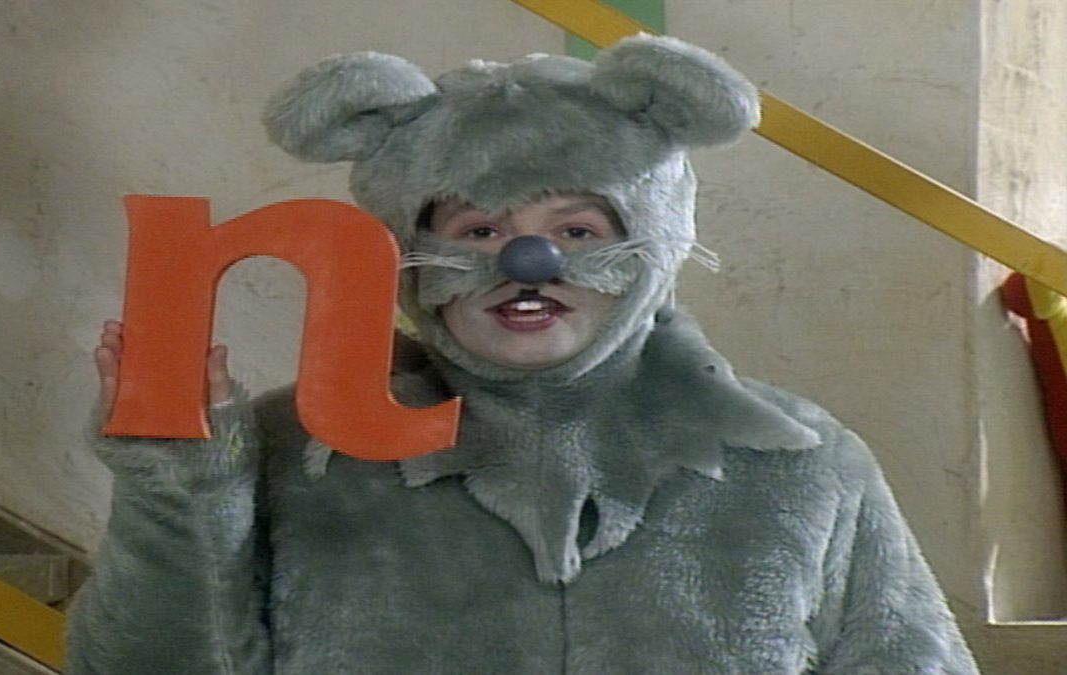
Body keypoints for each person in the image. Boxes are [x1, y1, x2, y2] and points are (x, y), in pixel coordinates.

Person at [66, 34, 979, 673]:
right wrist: (181, 482)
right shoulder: (295, 449)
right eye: (479, 228)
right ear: (406, 251)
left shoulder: (796, 461)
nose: (526, 260)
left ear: (649, 244)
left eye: (577, 228)